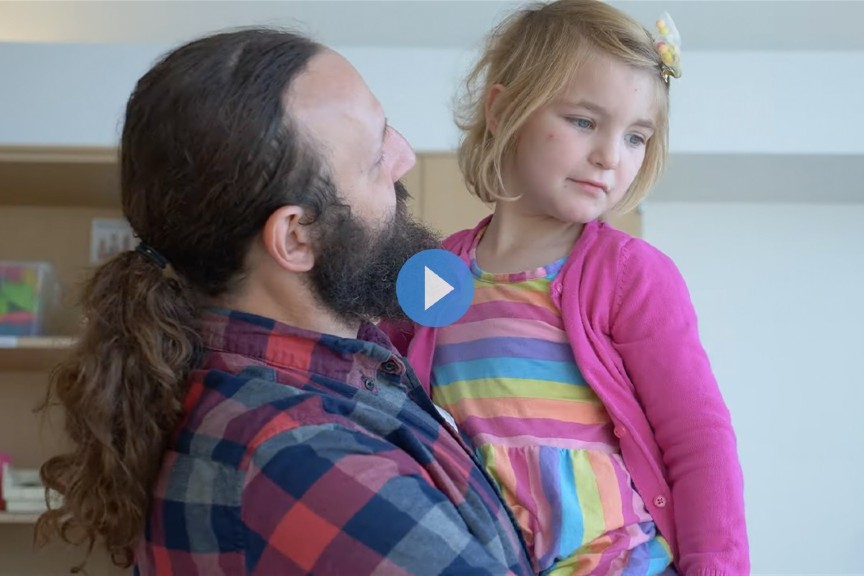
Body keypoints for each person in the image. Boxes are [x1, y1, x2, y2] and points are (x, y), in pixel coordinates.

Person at [34, 28, 534, 576]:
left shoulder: (329, 371)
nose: (405, 157)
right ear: (297, 237)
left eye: (387, 128)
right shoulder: (308, 461)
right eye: (374, 157)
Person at [382, 1, 749, 574]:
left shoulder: (629, 274)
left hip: (619, 560)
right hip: (482, 554)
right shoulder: (437, 270)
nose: (610, 156)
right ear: (504, 111)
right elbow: (373, 379)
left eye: (636, 137)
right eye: (584, 121)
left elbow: (698, 439)